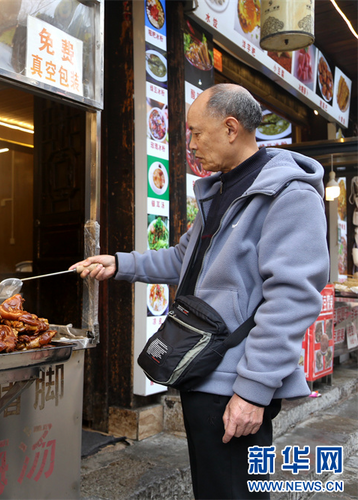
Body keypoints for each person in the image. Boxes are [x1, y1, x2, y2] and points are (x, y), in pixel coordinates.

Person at [71, 84, 329, 499]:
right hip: (202, 369)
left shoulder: (290, 195)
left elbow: (293, 299)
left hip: (236, 383)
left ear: (230, 128)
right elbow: (182, 258)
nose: (190, 146)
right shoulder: (223, 190)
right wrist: (119, 264)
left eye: (196, 133)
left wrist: (253, 391)